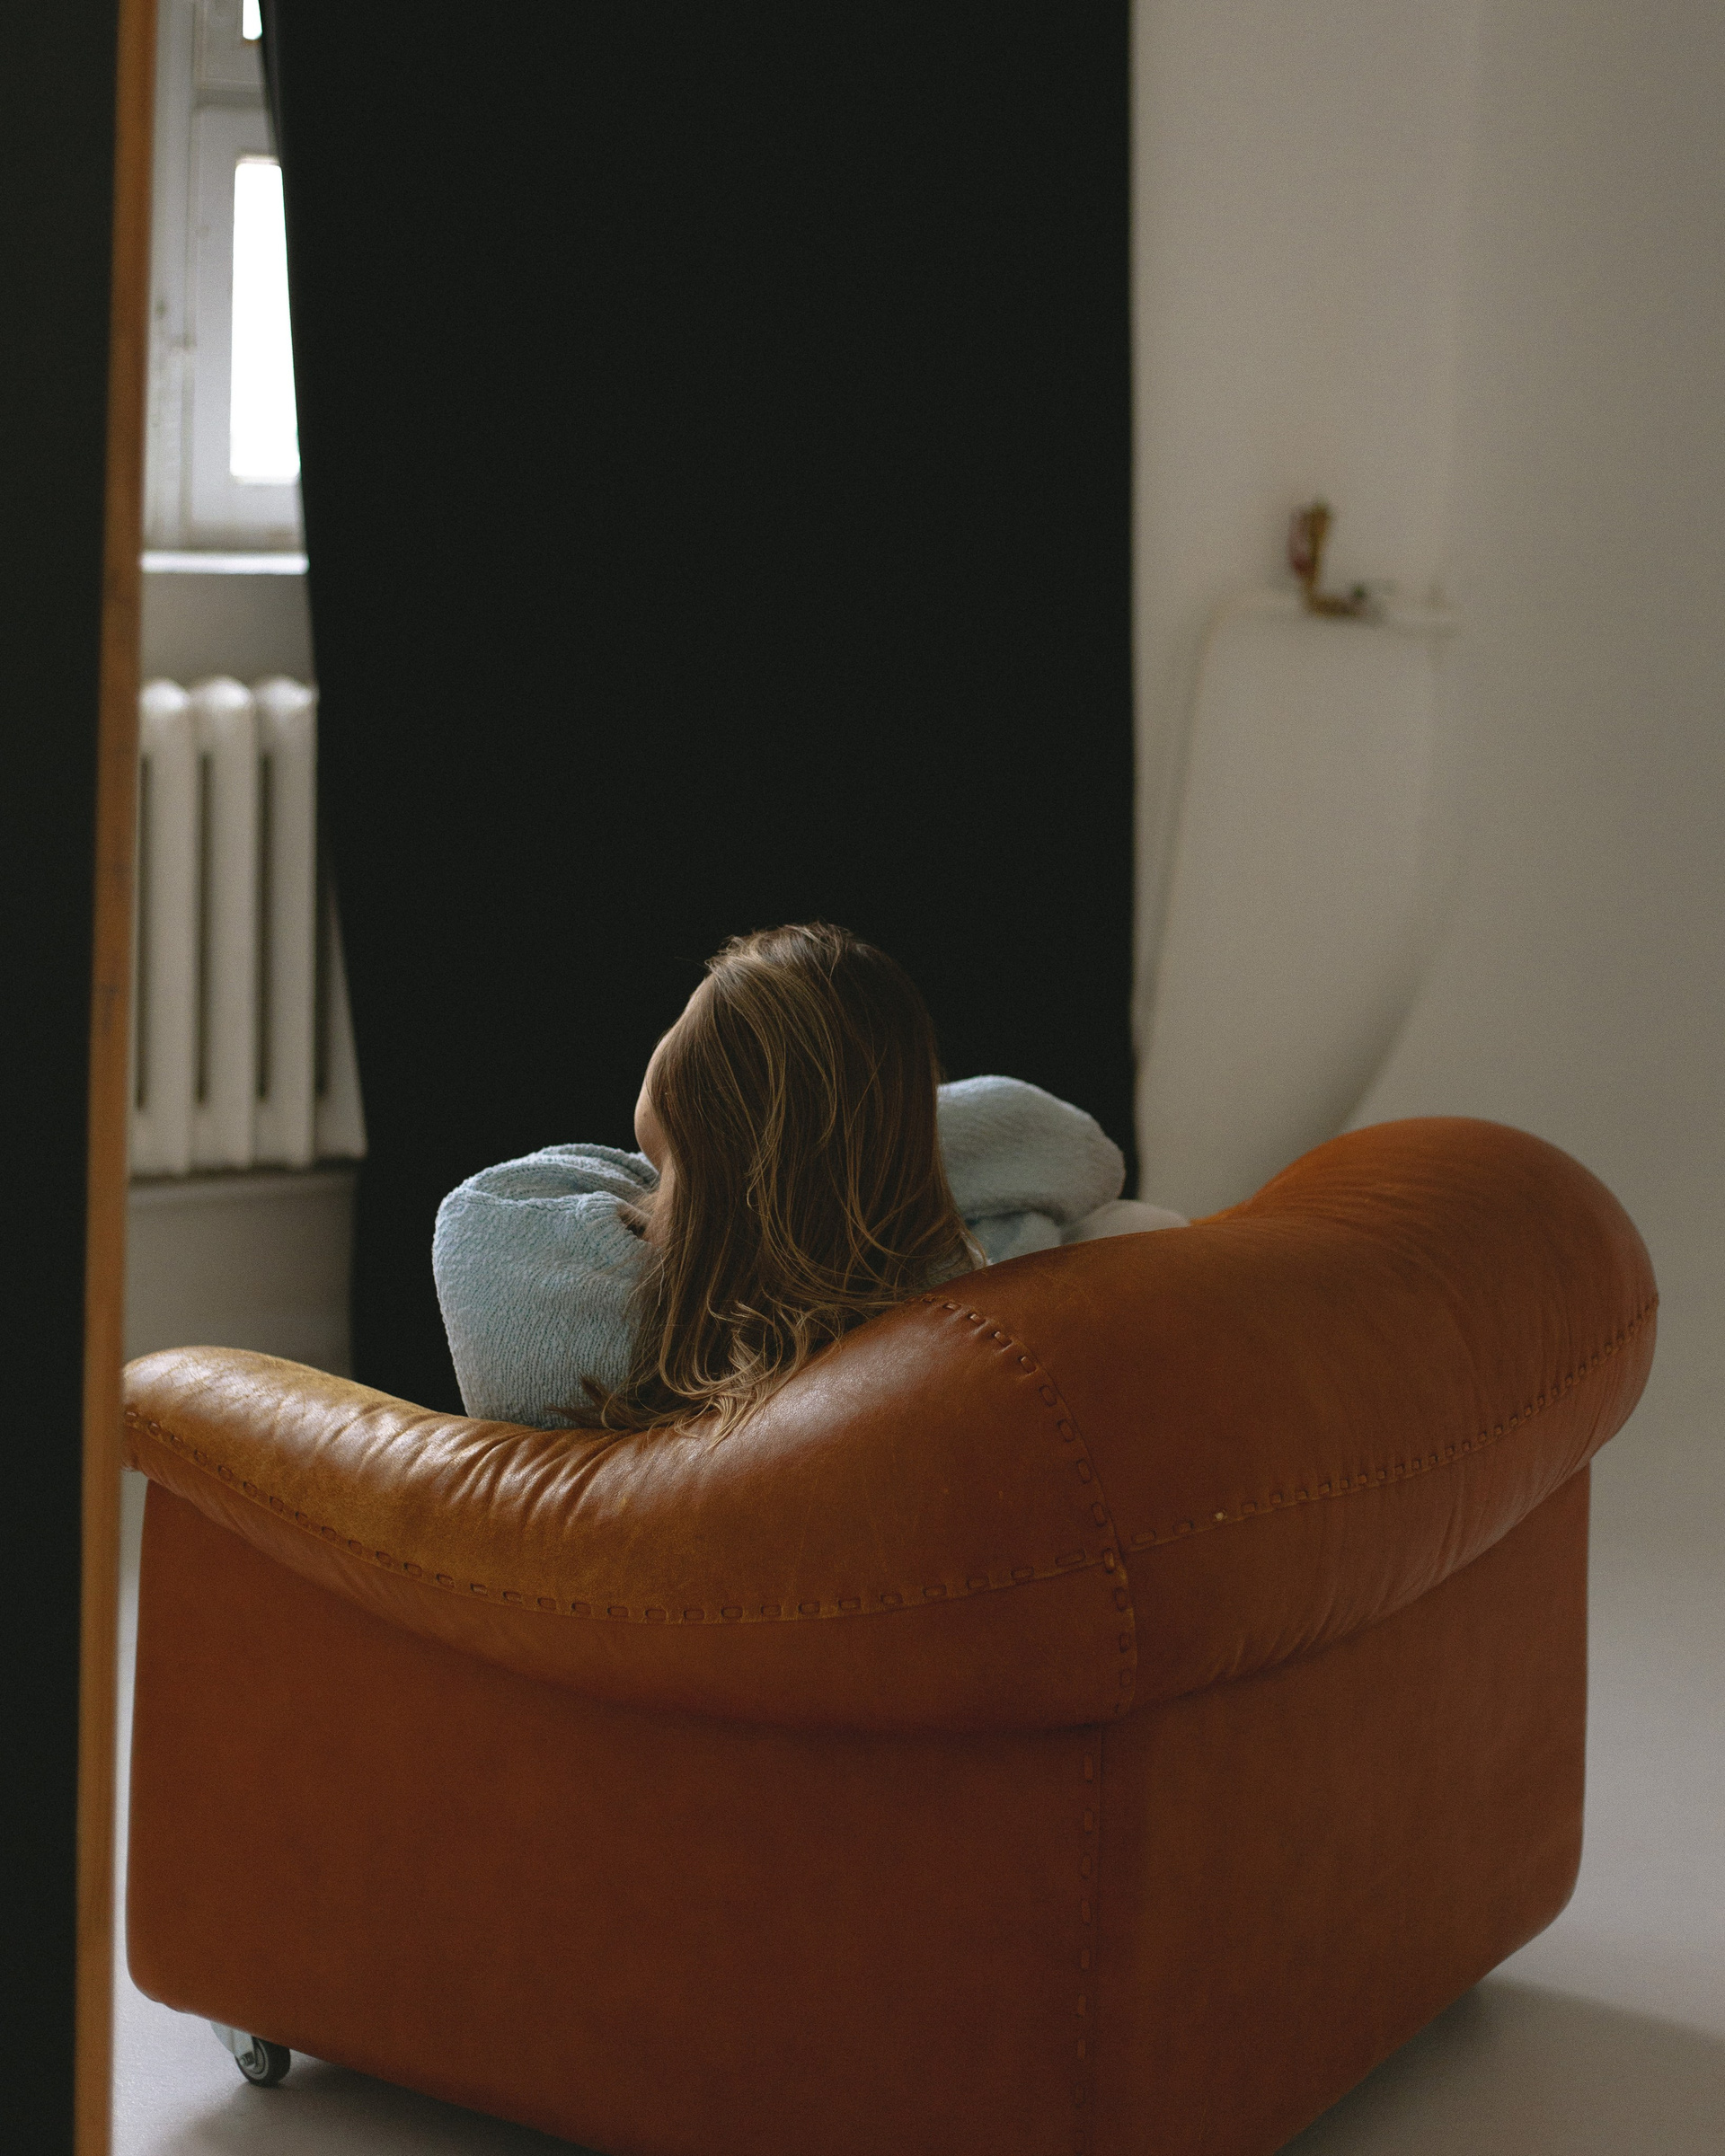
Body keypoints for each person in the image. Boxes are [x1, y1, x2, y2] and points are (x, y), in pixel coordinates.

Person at [433, 922, 1183, 1434]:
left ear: (684, 1088)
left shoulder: (524, 1267)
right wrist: (875, 1135)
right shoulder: (938, 1290)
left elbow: (487, 1201)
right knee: (1136, 1226)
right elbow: (1075, 1149)